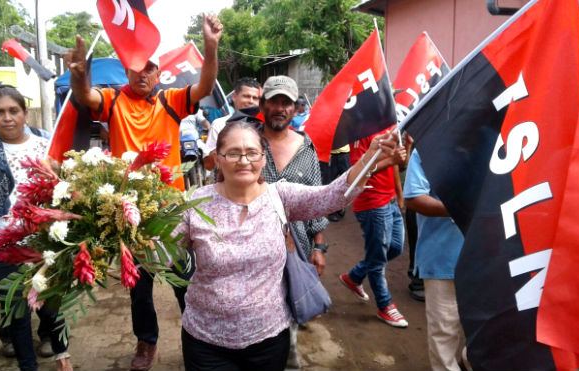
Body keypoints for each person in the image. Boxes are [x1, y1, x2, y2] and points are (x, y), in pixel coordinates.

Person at [174, 120, 402, 371]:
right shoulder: (194, 203)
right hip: (206, 339)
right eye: (233, 153)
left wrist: (368, 160)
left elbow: (333, 196)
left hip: (269, 338)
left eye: (252, 153)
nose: (244, 160)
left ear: (263, 158)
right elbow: (164, 251)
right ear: (218, 158)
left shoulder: (279, 196)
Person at [64, 14, 223, 371]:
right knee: (140, 289)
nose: (142, 74)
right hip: (129, 211)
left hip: (171, 212)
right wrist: (78, 72)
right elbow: (84, 95)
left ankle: (198, 340)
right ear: (127, 70)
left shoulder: (170, 100)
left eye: (149, 68)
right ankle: (146, 343)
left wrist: (210, 46)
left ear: (157, 74)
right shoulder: (112, 101)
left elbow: (205, 85)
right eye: (135, 68)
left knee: (185, 282)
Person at [0, 86, 72, 371]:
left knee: (50, 303)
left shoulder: (46, 145)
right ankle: (26, 364)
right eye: (0, 112)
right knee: (16, 310)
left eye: (13, 111)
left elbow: (65, 190)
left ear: (25, 114)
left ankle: (59, 353)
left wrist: (59, 171)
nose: (7, 118)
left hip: (41, 243)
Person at [258, 75, 327, 368]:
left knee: (289, 321)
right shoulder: (247, 142)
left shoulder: (306, 149)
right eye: (274, 100)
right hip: (253, 250)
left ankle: (288, 361)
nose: (279, 108)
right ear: (263, 104)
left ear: (296, 108)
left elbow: (316, 202)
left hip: (293, 251)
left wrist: (319, 247)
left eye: (286, 102)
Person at [339, 128, 409, 328]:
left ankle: (354, 277)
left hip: (390, 200)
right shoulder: (361, 131)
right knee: (378, 258)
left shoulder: (390, 126)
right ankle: (385, 306)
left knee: (395, 247)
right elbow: (358, 170)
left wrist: (399, 193)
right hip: (371, 203)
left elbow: (398, 164)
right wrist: (391, 159)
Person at [404, 149, 467, 371]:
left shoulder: (499, 144)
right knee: (444, 340)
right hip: (442, 258)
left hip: (487, 260)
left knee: (486, 335)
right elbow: (413, 197)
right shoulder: (430, 147)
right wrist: (463, 210)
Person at [203, 77, 261, 171]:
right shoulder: (220, 125)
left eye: (255, 98)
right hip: (227, 183)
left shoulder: (263, 126)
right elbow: (208, 165)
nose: (251, 101)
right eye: (246, 96)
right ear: (234, 97)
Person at [319, 144, 351, 222]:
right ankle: (332, 211)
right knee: (329, 184)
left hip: (344, 153)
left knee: (348, 182)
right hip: (329, 154)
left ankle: (339, 206)